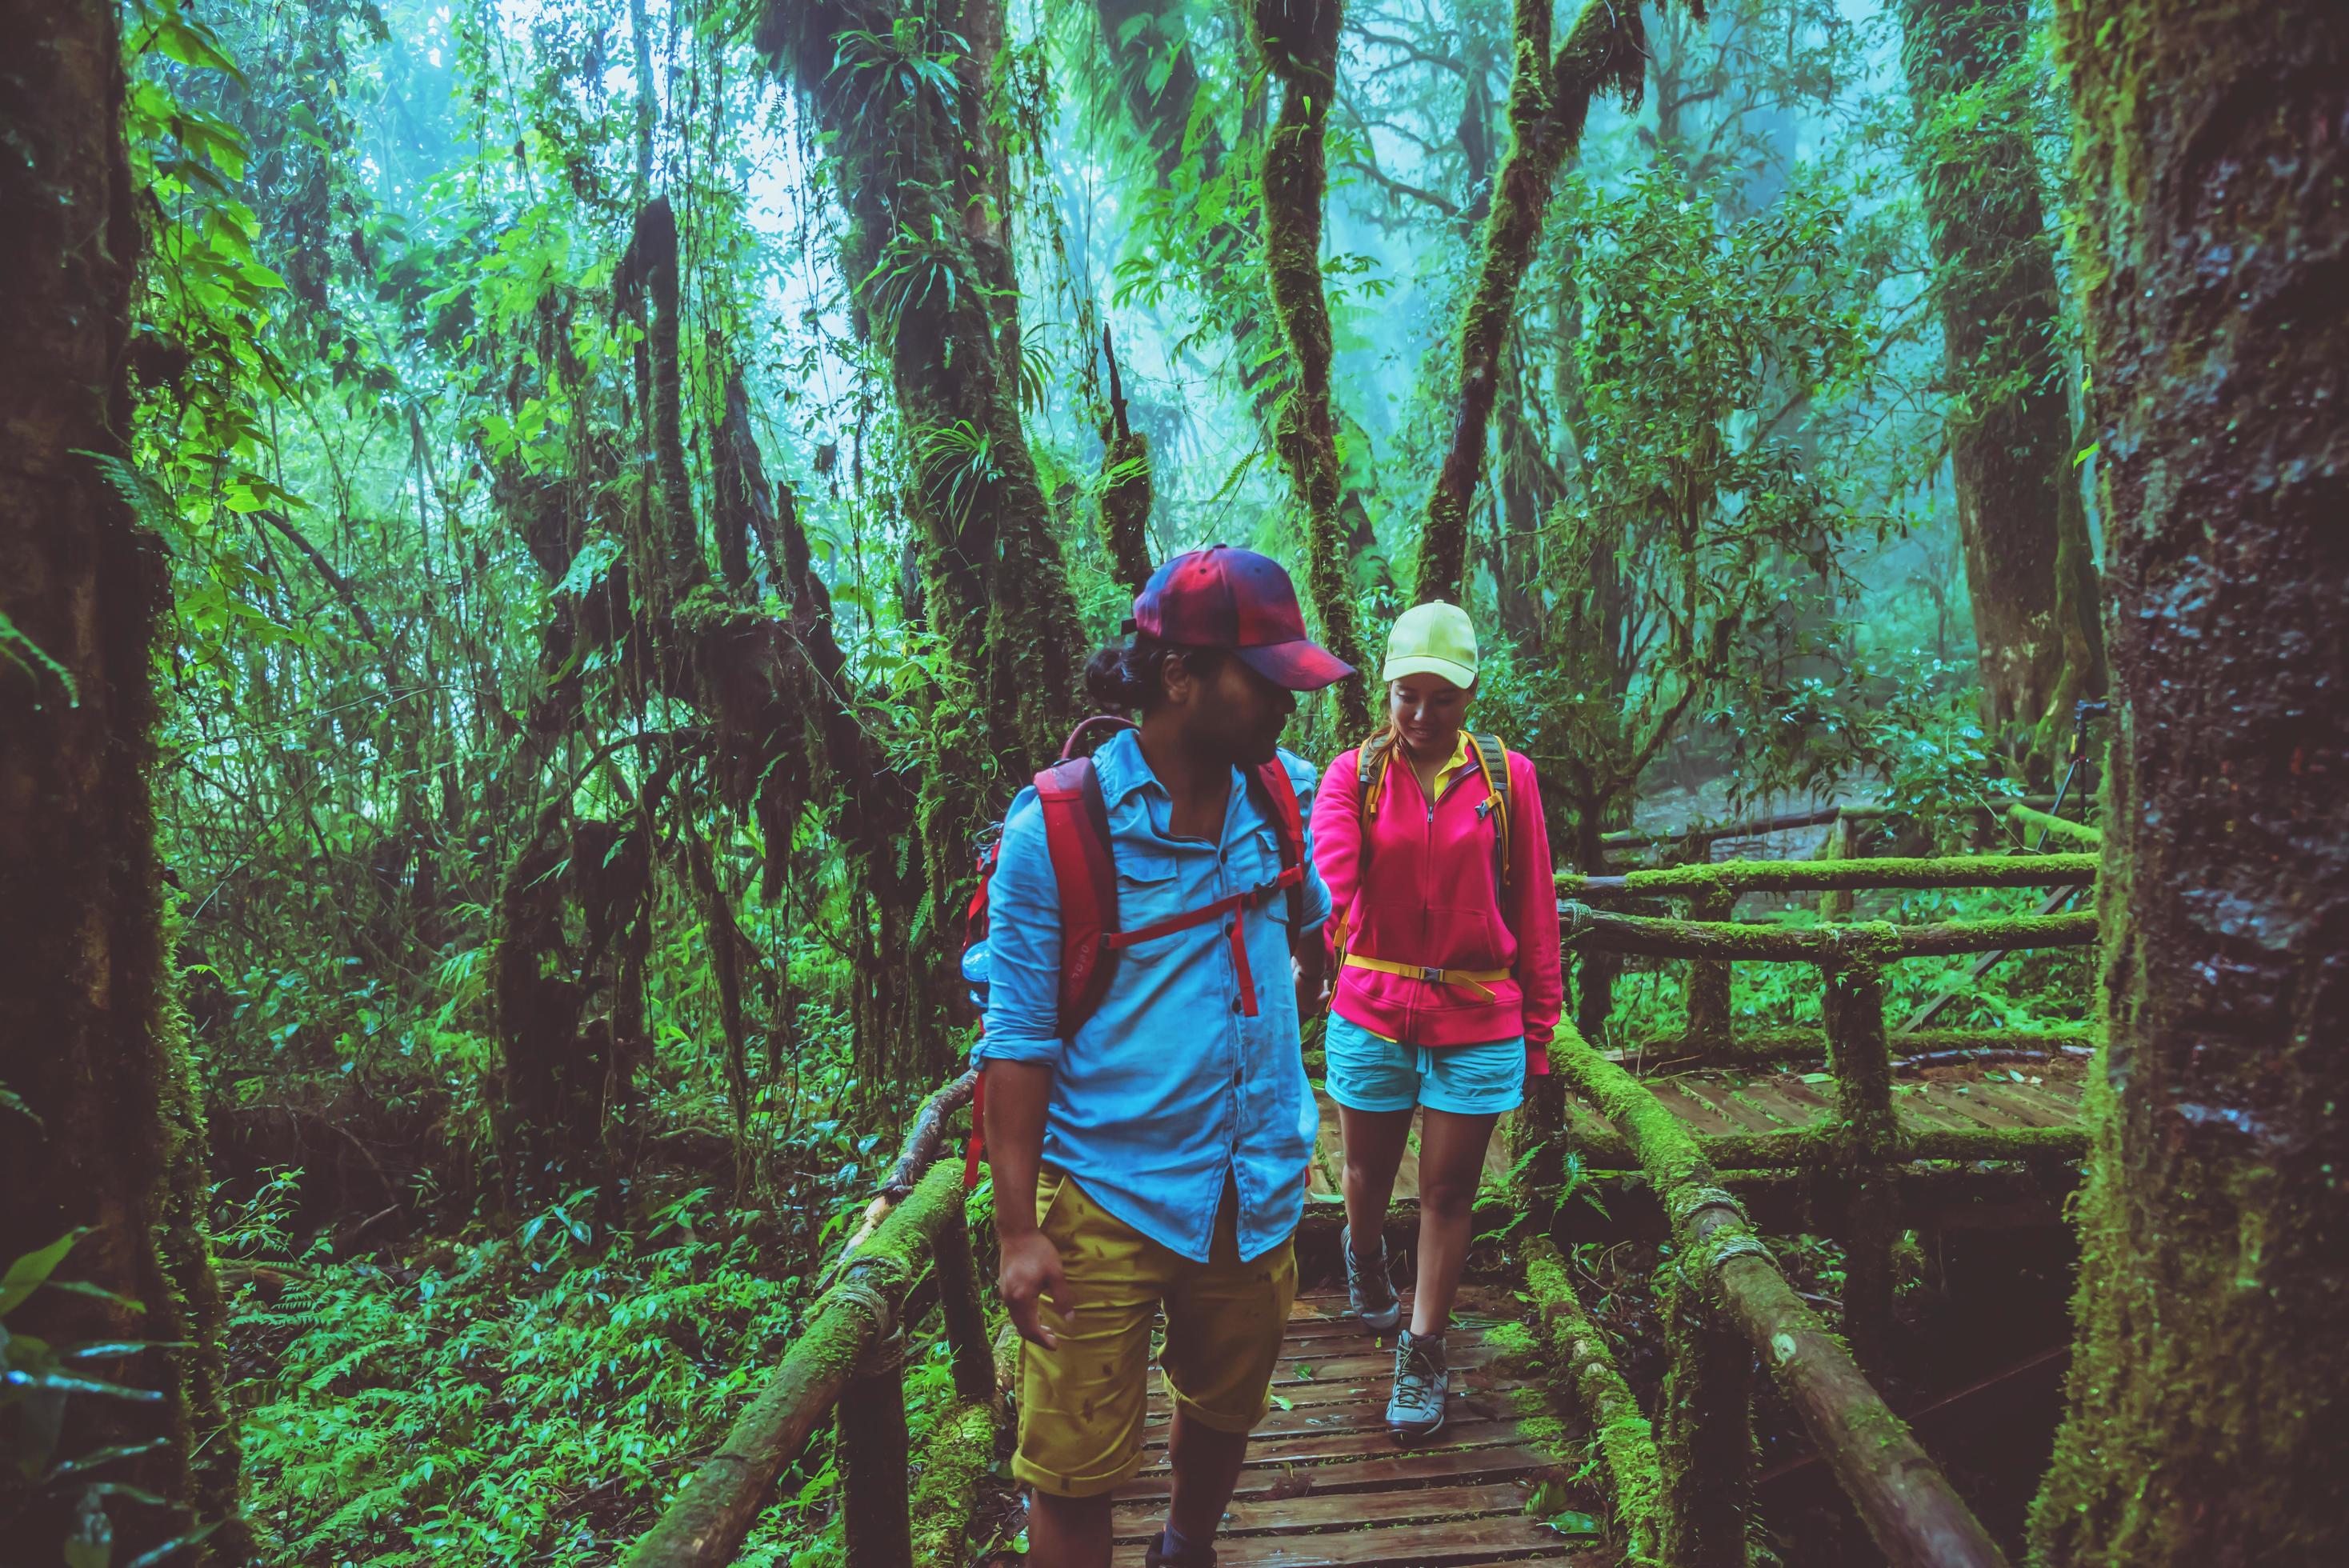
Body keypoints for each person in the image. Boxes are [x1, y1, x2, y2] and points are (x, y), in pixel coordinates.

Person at [981, 546, 1348, 1568]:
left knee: (1224, 1402)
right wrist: (1018, 1234)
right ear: (1179, 674)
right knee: (1070, 1462)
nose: (1285, 701)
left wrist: (1301, 985)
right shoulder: (1057, 829)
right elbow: (1015, 1046)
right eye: (1263, 677)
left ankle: (1184, 1546)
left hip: (1251, 1181)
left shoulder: (1279, 796)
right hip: (1108, 1191)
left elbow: (1307, 922)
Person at [1310, 599, 1562, 1440]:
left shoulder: (1505, 777)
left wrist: (1539, 1030)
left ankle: (1423, 1351)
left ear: (1470, 694)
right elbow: (1331, 877)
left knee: (1448, 1191)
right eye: (1405, 696)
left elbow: (1534, 906)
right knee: (1366, 1180)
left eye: (1441, 698)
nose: (1420, 715)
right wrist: (1326, 935)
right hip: (1373, 1007)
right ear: (1385, 692)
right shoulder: (1352, 775)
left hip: (1477, 1010)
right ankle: (1364, 1253)